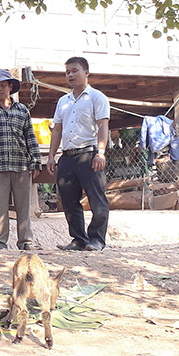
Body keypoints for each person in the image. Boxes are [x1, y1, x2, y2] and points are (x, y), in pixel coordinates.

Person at [46, 57, 110, 251]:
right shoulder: (62, 101)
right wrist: (51, 155)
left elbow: (102, 126)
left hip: (89, 155)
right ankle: (78, 239)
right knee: (68, 200)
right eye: (67, 72)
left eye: (74, 71)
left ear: (86, 73)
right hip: (67, 156)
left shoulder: (97, 97)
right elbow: (57, 130)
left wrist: (101, 152)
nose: (70, 75)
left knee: (97, 199)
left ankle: (97, 239)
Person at [0, 70, 42, 251]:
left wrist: (36, 160)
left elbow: (30, 137)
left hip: (21, 166)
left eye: (2, 85)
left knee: (23, 207)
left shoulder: (22, 111)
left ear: (10, 87)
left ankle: (26, 242)